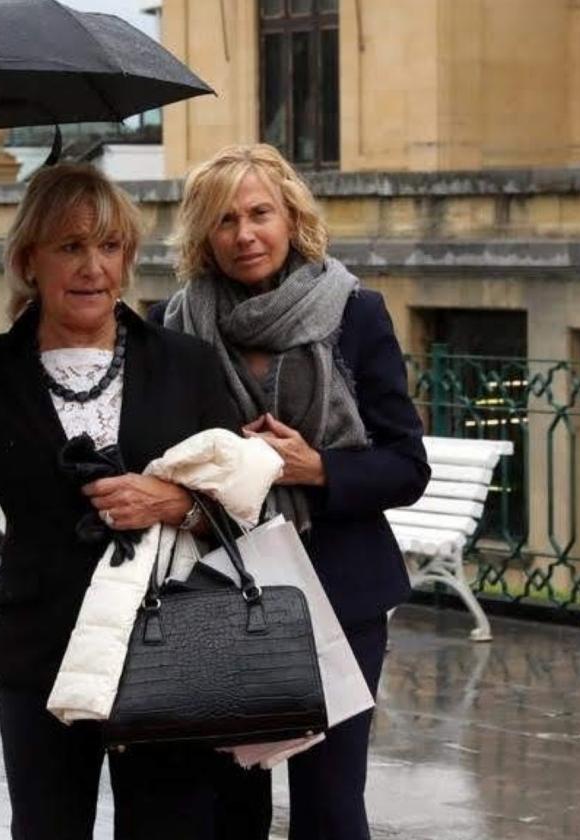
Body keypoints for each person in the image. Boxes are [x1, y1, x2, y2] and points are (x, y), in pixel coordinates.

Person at [0, 163, 261, 840]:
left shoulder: (184, 363)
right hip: (40, 648)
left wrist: (174, 503)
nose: (92, 268)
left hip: (167, 642)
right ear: (29, 260)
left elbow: (245, 501)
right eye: (70, 246)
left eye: (108, 247)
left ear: (128, 259)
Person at [159, 144, 431, 840]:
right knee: (226, 802)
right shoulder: (176, 325)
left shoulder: (353, 313)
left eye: (259, 213)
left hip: (338, 588)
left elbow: (405, 465)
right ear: (202, 235)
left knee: (330, 806)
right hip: (218, 588)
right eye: (224, 220)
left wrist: (315, 469)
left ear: (290, 220)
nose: (244, 234)